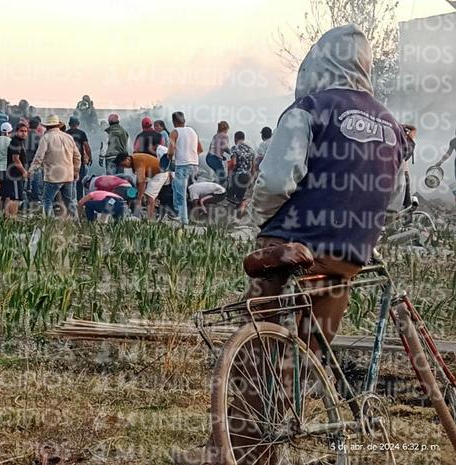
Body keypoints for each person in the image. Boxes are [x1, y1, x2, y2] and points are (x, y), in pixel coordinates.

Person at [174, 25, 406, 465]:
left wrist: (262, 221)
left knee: (259, 355)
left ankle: (229, 455)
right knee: (302, 357)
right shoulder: (392, 127)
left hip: (293, 247)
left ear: (319, 63)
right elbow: (393, 203)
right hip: (347, 261)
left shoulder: (310, 109)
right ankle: (272, 442)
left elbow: (278, 181)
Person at [29, 115, 81, 218]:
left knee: (47, 200)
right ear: (58, 125)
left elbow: (39, 157)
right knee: (69, 201)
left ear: (47, 127)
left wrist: (31, 170)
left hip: (53, 176)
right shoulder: (68, 137)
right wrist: (75, 171)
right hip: (68, 175)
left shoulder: (46, 138)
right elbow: (77, 156)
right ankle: (76, 222)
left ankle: (49, 223)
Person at [168, 111, 203, 225]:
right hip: (194, 165)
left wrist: (169, 157)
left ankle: (184, 219)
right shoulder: (192, 131)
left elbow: (171, 150)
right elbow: (200, 149)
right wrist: (191, 155)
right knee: (176, 186)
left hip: (182, 165)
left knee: (181, 193)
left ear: (174, 121)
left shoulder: (174, 132)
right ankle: (182, 214)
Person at [0, 122, 29, 217]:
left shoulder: (19, 142)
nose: (24, 133)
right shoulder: (15, 142)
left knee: (11, 197)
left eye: (25, 131)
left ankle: (8, 217)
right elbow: (15, 159)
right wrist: (24, 171)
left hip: (14, 175)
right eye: (21, 131)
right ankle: (11, 218)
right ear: (16, 132)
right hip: (15, 175)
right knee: (15, 198)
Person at [225, 131, 256, 211]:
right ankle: (236, 217)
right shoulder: (251, 150)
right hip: (247, 177)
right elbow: (253, 168)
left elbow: (234, 163)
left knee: (230, 196)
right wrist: (251, 180)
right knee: (239, 199)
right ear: (244, 138)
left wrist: (229, 175)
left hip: (237, 176)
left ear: (235, 138)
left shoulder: (235, 148)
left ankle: (228, 217)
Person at [66, 116, 92, 199]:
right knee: (80, 181)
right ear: (78, 124)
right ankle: (79, 199)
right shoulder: (82, 133)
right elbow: (86, 146)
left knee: (68, 181)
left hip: (68, 160)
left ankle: (69, 199)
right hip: (79, 161)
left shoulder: (66, 134)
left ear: (69, 124)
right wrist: (90, 157)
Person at [25, 116, 44, 202]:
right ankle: (35, 198)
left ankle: (24, 197)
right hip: (34, 161)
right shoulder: (39, 137)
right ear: (37, 126)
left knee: (24, 179)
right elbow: (40, 151)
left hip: (24, 160)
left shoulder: (24, 135)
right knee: (35, 180)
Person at [434, 128, 456, 200]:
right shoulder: (453, 141)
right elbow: (448, 154)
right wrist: (440, 162)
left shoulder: (453, 141)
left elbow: (448, 154)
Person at [206, 121, 230, 185]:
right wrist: (232, 153)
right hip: (215, 159)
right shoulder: (224, 136)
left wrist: (222, 156)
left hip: (209, 158)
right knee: (222, 177)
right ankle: (218, 191)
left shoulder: (215, 136)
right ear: (226, 128)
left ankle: (215, 186)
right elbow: (224, 147)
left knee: (219, 176)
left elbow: (213, 147)